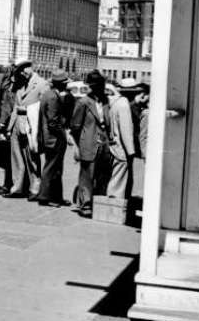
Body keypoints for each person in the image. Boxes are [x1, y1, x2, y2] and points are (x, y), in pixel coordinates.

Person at [70, 70, 112, 218]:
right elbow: (75, 126)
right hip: (88, 143)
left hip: (104, 144)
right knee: (87, 176)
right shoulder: (83, 102)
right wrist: (79, 143)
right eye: (97, 86)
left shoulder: (106, 101)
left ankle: (98, 203)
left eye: (101, 85)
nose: (100, 88)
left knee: (102, 176)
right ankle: (85, 205)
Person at [4, 61, 47, 200]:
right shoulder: (19, 84)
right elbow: (15, 107)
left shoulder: (41, 83)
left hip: (31, 124)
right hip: (17, 123)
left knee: (32, 157)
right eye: (20, 70)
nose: (23, 73)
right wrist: (9, 128)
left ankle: (35, 188)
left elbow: (43, 106)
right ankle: (17, 187)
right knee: (16, 157)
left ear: (31, 67)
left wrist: (30, 112)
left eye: (24, 69)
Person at [36, 69, 72, 207]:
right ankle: (45, 197)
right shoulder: (52, 97)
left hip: (51, 137)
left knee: (56, 169)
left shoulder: (48, 94)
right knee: (51, 168)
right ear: (61, 84)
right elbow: (53, 121)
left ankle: (57, 197)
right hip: (53, 138)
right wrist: (64, 134)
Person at [107, 80, 137, 201]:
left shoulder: (115, 103)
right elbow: (126, 131)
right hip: (122, 148)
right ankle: (116, 206)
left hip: (114, 145)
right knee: (119, 181)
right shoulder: (124, 105)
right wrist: (131, 151)